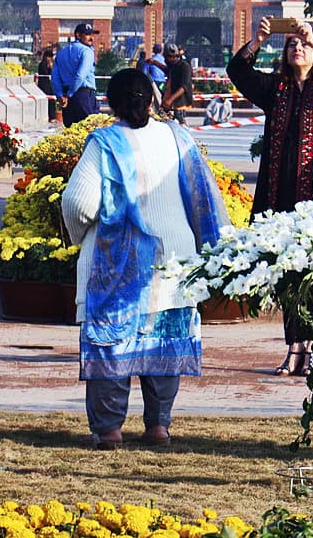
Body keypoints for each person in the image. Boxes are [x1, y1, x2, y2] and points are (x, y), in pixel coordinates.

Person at [62, 69, 229, 450]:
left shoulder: (104, 143)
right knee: (164, 343)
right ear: (153, 100)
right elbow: (203, 198)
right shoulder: (178, 137)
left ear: (110, 104)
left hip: (118, 264)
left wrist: (79, 237)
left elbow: (78, 202)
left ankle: (109, 430)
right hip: (174, 261)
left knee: (112, 345)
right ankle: (158, 426)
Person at [226, 16, 313, 377]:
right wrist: (258, 40)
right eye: (291, 44)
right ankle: (295, 349)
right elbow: (238, 72)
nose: (296, 48)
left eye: (302, 45)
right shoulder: (276, 89)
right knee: (289, 277)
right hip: (280, 200)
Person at [52, 23, 100, 127]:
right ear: (78, 35)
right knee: (88, 130)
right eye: (87, 34)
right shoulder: (87, 51)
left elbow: (55, 77)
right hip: (83, 95)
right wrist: (70, 94)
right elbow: (80, 76)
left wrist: (60, 95)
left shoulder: (62, 53)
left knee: (71, 132)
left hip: (67, 99)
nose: (91, 38)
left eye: (92, 34)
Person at [160, 43, 194, 124]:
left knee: (179, 126)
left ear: (172, 57)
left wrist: (170, 99)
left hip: (179, 104)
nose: (164, 59)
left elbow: (184, 87)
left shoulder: (184, 66)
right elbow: (167, 70)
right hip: (171, 105)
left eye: (165, 57)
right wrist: (155, 63)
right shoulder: (174, 66)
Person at [37, 47, 58, 121]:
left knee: (52, 100)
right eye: (50, 57)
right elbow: (46, 73)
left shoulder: (48, 64)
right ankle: (51, 116)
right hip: (44, 85)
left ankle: (53, 116)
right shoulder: (42, 64)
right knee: (49, 100)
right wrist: (50, 66)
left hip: (49, 84)